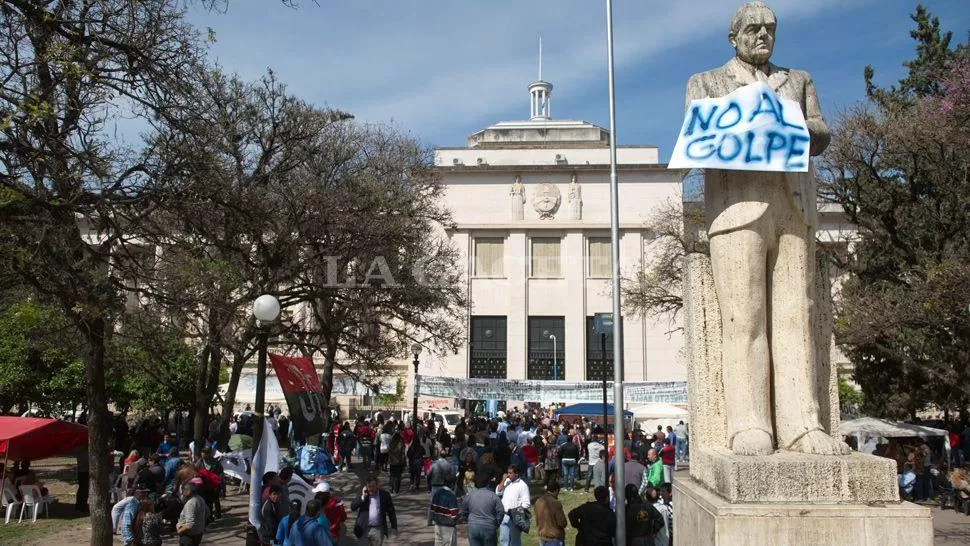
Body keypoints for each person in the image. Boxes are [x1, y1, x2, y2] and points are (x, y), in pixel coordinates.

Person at [685, 0, 848, 457]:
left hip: (793, 205)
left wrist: (799, 126)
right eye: (752, 28)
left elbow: (820, 130)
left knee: (797, 314)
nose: (762, 35)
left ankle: (802, 425)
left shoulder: (797, 81)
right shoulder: (707, 83)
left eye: (769, 28)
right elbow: (700, 138)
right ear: (733, 37)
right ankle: (749, 424)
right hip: (738, 209)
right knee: (745, 320)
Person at [351, 475, 397, 545]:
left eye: (373, 486)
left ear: (377, 485)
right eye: (369, 487)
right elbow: (353, 507)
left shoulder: (384, 495)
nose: (371, 489)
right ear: (366, 486)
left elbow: (391, 511)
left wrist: (394, 526)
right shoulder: (362, 493)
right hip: (363, 528)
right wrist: (363, 497)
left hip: (378, 529)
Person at [460, 480, 506, 546]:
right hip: (489, 526)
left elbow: (463, 511)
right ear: (487, 485)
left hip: (473, 526)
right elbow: (501, 511)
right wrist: (497, 523)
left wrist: (468, 520)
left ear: (476, 485)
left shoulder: (470, 495)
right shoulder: (493, 496)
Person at [496, 465, 530, 546]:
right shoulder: (506, 481)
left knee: (515, 541)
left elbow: (526, 503)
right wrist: (503, 480)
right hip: (504, 516)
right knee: (503, 541)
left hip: (515, 516)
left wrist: (516, 513)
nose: (508, 475)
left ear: (516, 473)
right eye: (508, 472)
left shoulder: (523, 485)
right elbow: (498, 492)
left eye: (510, 473)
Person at [534, 480, 567, 546]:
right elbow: (562, 522)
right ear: (556, 490)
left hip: (542, 537)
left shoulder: (538, 501)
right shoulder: (555, 503)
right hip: (554, 538)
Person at [176, 478, 208, 546]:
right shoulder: (200, 498)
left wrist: (179, 531)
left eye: (183, 490)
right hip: (198, 533)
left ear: (188, 491)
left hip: (189, 535)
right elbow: (207, 513)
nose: (182, 493)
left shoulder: (191, 503)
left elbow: (189, 524)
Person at [430, 475, 460, 546]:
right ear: (452, 484)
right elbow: (454, 515)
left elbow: (432, 510)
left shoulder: (437, 493)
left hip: (437, 526)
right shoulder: (451, 495)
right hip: (448, 528)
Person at [198, 446, 223, 519]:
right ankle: (209, 516)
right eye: (202, 452)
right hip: (204, 485)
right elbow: (195, 471)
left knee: (215, 500)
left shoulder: (215, 463)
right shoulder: (199, 462)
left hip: (214, 485)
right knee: (207, 501)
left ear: (209, 453)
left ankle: (218, 513)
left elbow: (221, 473)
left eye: (205, 452)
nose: (203, 454)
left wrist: (220, 485)